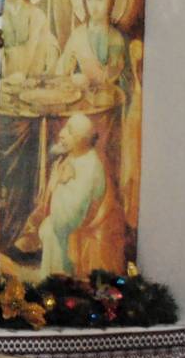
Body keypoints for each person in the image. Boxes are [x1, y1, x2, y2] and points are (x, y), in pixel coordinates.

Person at [23, 112, 125, 277]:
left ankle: (59, 279)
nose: (61, 134)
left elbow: (70, 215)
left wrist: (59, 183)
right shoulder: (74, 157)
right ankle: (51, 278)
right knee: (48, 230)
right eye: (65, 128)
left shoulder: (91, 166)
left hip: (81, 223)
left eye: (69, 131)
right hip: (64, 221)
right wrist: (56, 182)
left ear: (81, 140)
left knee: (51, 231)